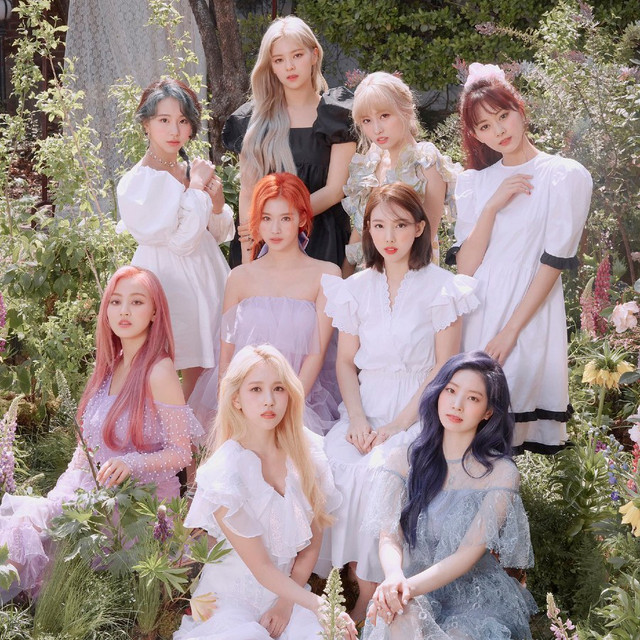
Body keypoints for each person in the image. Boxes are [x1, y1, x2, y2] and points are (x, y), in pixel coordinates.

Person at [320, 183, 479, 621]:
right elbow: (345, 363)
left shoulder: (443, 288)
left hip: (419, 408)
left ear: (420, 228)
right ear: (368, 230)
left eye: (400, 225)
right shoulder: (354, 288)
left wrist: (396, 426)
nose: (389, 236)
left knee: (380, 472)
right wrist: (356, 419)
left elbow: (443, 368)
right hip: (364, 405)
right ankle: (352, 579)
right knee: (337, 463)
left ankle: (372, 594)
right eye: (378, 226)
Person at [0, 265, 203, 603]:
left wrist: (131, 463)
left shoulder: (159, 370)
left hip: (137, 505)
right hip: (91, 493)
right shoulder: (110, 365)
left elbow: (182, 453)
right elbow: (85, 450)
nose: (124, 311)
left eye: (137, 302)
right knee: (28, 521)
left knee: (29, 528)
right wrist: (58, 495)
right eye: (116, 301)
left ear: (155, 312)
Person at [447, 62, 592, 453]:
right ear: (475, 134)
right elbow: (466, 268)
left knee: (508, 429)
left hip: (526, 315)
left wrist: (511, 331)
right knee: (470, 431)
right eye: (484, 126)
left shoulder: (562, 175)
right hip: (479, 314)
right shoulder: (475, 183)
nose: (499, 130)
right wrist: (492, 206)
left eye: (502, 115)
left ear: (519, 109)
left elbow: (553, 263)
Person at [174, 345, 357, 640]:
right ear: (236, 399)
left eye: (278, 388)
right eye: (256, 389)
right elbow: (260, 566)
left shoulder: (306, 454)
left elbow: (312, 543)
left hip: (288, 593)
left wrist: (287, 603)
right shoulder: (225, 471)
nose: (269, 400)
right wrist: (320, 604)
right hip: (227, 599)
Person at [362, 351, 537, 639]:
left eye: (473, 398)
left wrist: (405, 588)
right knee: (401, 619)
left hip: (476, 596)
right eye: (451, 391)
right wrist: (394, 577)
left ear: (488, 412)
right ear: (438, 393)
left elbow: (468, 553)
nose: (457, 404)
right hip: (415, 583)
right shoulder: (402, 461)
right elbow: (389, 536)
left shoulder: (501, 473)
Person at [188, 172, 342, 436]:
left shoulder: (327, 275)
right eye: (267, 218)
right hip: (244, 402)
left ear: (302, 218)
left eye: (285, 218)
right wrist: (234, 408)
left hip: (300, 399)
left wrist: (288, 407)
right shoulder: (239, 277)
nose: (275, 229)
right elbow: (227, 356)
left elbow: (316, 355)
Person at [117, 78, 234, 399]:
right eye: (164, 120)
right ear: (146, 124)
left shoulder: (188, 169)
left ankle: (204, 428)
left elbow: (217, 234)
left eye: (183, 121)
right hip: (168, 282)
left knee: (211, 368)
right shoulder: (138, 183)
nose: (174, 130)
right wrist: (195, 189)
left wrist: (217, 203)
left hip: (208, 276)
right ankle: (175, 428)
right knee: (169, 367)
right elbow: (182, 241)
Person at [222, 15, 356, 268]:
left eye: (297, 55)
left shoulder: (337, 114)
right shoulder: (253, 119)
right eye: (279, 60)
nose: (289, 67)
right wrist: (249, 252)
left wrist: (285, 219)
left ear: (314, 55)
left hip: (321, 240)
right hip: (265, 241)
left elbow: (334, 190)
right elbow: (248, 191)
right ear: (271, 66)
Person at [343, 71, 460, 272]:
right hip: (367, 273)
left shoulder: (425, 162)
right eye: (367, 120)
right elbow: (359, 230)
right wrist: (345, 279)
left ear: (406, 110)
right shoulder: (371, 162)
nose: (377, 129)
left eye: (384, 116)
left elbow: (425, 239)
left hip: (413, 273)